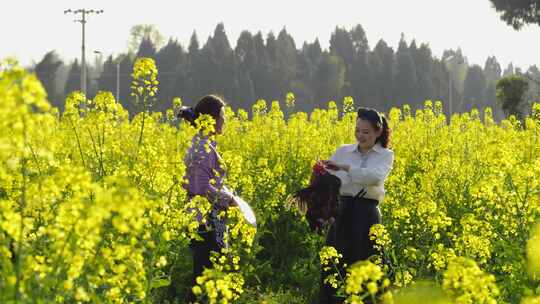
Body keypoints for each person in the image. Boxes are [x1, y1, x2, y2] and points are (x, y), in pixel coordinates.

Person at [319, 107, 394, 304]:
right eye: (357, 130)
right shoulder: (343, 151)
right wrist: (320, 172)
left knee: (367, 263)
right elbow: (331, 179)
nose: (360, 135)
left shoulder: (386, 155)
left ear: (378, 131)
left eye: (366, 132)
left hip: (367, 214)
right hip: (342, 211)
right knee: (337, 264)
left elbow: (374, 178)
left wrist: (345, 168)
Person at [178, 94, 237, 303]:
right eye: (222, 115)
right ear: (211, 118)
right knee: (205, 277)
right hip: (204, 219)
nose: (225, 120)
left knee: (207, 277)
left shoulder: (204, 144)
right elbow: (201, 187)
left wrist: (228, 193)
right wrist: (229, 198)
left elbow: (204, 182)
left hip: (207, 217)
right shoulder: (202, 147)